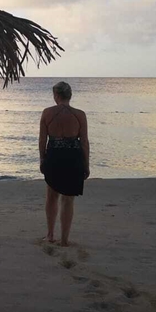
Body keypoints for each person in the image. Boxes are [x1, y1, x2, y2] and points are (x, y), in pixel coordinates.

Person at [38, 81, 89, 245]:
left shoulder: (47, 113)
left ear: (56, 95)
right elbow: (84, 142)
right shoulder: (80, 114)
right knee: (68, 199)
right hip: (73, 157)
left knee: (51, 196)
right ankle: (65, 239)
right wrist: (86, 164)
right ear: (70, 95)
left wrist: (42, 158)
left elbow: (42, 140)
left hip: (54, 156)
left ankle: (51, 234)